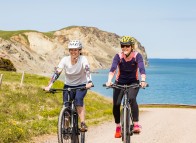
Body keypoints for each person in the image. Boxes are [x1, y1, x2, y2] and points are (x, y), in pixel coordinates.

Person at [44, 40, 93, 131]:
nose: (73, 52)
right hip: (68, 85)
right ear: (69, 51)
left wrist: (89, 81)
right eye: (71, 50)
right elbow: (57, 72)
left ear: (79, 51)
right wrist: (49, 85)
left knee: (78, 100)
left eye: (75, 50)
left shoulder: (83, 59)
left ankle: (82, 123)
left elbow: (87, 69)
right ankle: (66, 128)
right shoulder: (65, 60)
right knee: (66, 106)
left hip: (81, 85)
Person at [105, 36, 147, 138]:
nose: (125, 48)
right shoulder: (118, 56)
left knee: (132, 99)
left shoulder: (137, 56)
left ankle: (136, 124)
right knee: (116, 104)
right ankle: (118, 127)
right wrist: (109, 81)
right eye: (123, 46)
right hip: (119, 82)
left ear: (132, 46)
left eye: (127, 46)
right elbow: (113, 68)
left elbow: (141, 68)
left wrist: (143, 80)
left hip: (133, 82)